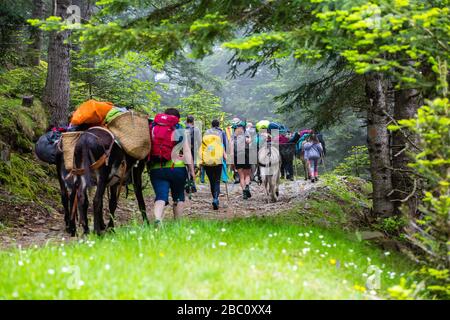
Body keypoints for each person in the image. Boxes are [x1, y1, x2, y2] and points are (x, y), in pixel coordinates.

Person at [149, 108, 195, 227]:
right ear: (177, 118)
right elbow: (186, 151)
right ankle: (178, 224)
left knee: (160, 197)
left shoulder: (154, 127)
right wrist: (191, 170)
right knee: (179, 197)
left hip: (156, 168)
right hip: (177, 168)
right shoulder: (180, 128)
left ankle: (158, 219)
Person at [201, 119, 227, 209]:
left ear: (211, 125)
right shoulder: (222, 132)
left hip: (207, 160)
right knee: (217, 180)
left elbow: (202, 146)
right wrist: (225, 156)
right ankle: (216, 198)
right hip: (218, 159)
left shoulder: (206, 132)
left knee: (211, 180)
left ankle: (214, 198)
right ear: (218, 125)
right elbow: (224, 145)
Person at [230, 120, 253, 199]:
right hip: (246, 155)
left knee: (241, 176)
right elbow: (249, 141)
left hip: (237, 156)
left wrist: (232, 162)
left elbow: (231, 150)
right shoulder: (246, 133)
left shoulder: (233, 136)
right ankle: (247, 186)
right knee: (247, 175)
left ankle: (244, 192)